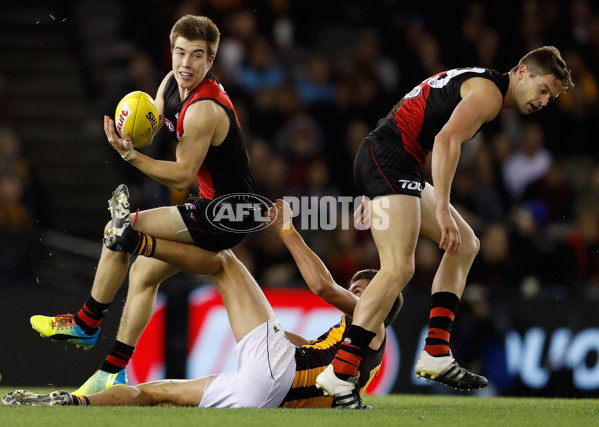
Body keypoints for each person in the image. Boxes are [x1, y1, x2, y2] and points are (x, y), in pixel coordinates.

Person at [314, 46, 574, 404]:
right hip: (390, 160)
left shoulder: (483, 85)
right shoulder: (489, 95)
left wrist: (374, 186)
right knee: (398, 268)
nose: (544, 101)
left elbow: (411, 119)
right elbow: (444, 140)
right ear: (523, 72)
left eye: (552, 97)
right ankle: (341, 370)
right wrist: (442, 209)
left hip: (390, 160)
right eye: (544, 89)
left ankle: (436, 350)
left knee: (466, 244)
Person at [29, 15, 261, 394]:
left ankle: (86, 323)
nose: (186, 63)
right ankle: (111, 375)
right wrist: (130, 125)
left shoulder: (204, 109)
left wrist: (129, 155)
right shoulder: (171, 84)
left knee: (122, 228)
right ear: (171, 51)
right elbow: (152, 118)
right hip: (213, 203)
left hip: (225, 214)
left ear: (211, 61)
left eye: (197, 56)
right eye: (180, 52)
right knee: (142, 274)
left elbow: (184, 176)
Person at [4, 200, 402, 409]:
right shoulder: (359, 351)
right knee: (157, 392)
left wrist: (287, 230)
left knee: (225, 262)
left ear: (384, 301)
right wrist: (273, 332)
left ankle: (138, 242)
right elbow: (311, 351)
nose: (358, 296)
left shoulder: (375, 324)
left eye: (365, 290)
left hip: (274, 374)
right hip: (261, 397)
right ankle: (76, 401)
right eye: (357, 288)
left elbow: (322, 285)